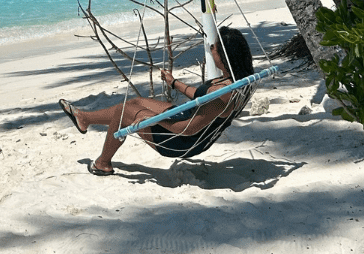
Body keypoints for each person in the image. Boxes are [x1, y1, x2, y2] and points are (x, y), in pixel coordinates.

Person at [59, 27, 255, 176]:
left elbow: (187, 129)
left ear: (224, 56)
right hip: (188, 122)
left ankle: (103, 164)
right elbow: (200, 97)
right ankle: (84, 118)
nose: (210, 48)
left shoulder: (221, 94)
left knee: (124, 112)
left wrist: (154, 118)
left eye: (214, 47)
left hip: (181, 140)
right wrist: (174, 83)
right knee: (135, 103)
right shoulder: (234, 81)